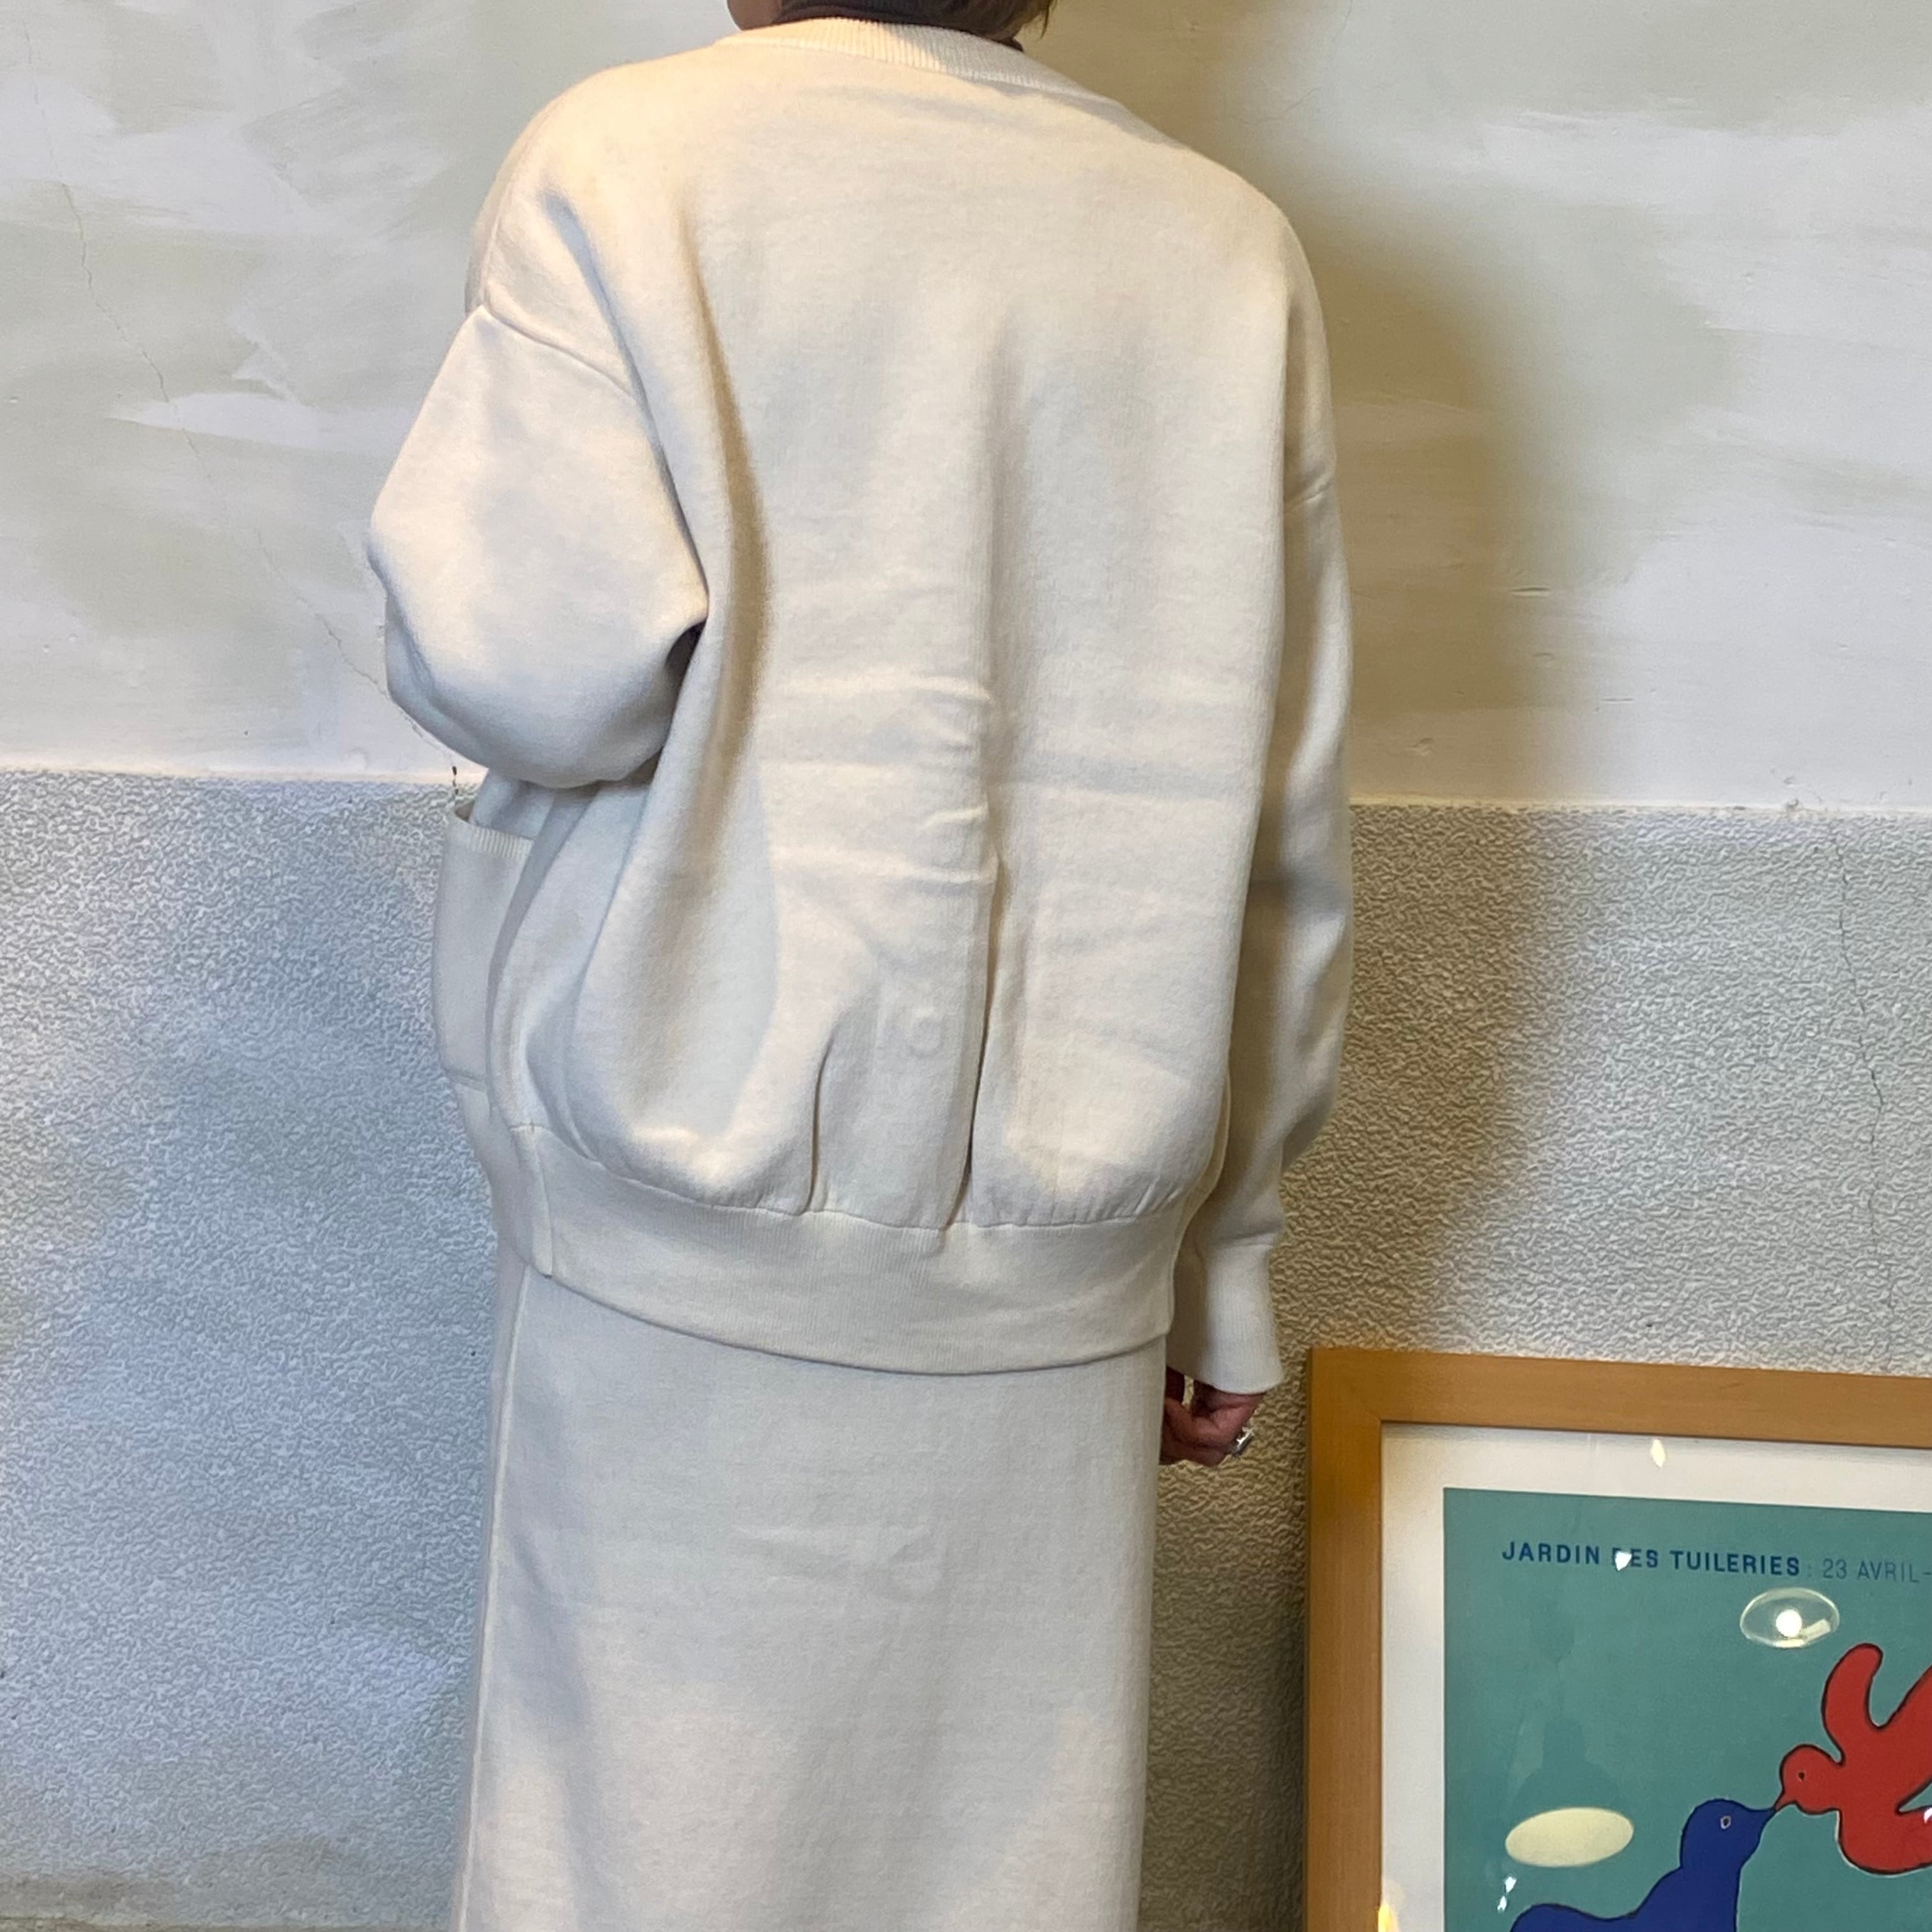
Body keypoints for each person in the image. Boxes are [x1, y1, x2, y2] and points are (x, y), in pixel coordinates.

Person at [365, 0, 1352, 1920]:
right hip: (1071, 1254)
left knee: (637, 1845)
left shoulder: (633, 162)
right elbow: (1283, 822)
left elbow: (527, 671)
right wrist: (1223, 1269)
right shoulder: (1225, 248)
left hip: (676, 1197)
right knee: (996, 1854)